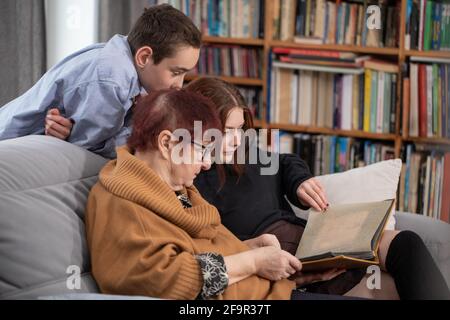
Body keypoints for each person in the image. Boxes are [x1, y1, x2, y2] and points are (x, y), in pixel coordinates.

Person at [186, 77, 450, 300]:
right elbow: (216, 254)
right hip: (279, 262)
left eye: (241, 129)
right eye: (228, 130)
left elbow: (286, 162)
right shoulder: (190, 180)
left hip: (313, 239)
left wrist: (299, 181)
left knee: (406, 243)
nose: (236, 139)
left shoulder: (245, 153)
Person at [85, 88, 352, 300]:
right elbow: (167, 279)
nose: (207, 163)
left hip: (276, 291)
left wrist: (255, 253)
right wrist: (254, 261)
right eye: (202, 149)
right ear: (167, 144)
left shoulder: (172, 188)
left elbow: (199, 252)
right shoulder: (123, 201)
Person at [0, 4, 201, 159]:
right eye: (176, 72)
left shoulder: (128, 61)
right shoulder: (113, 79)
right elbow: (92, 150)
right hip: (11, 142)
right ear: (144, 57)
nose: (179, 85)